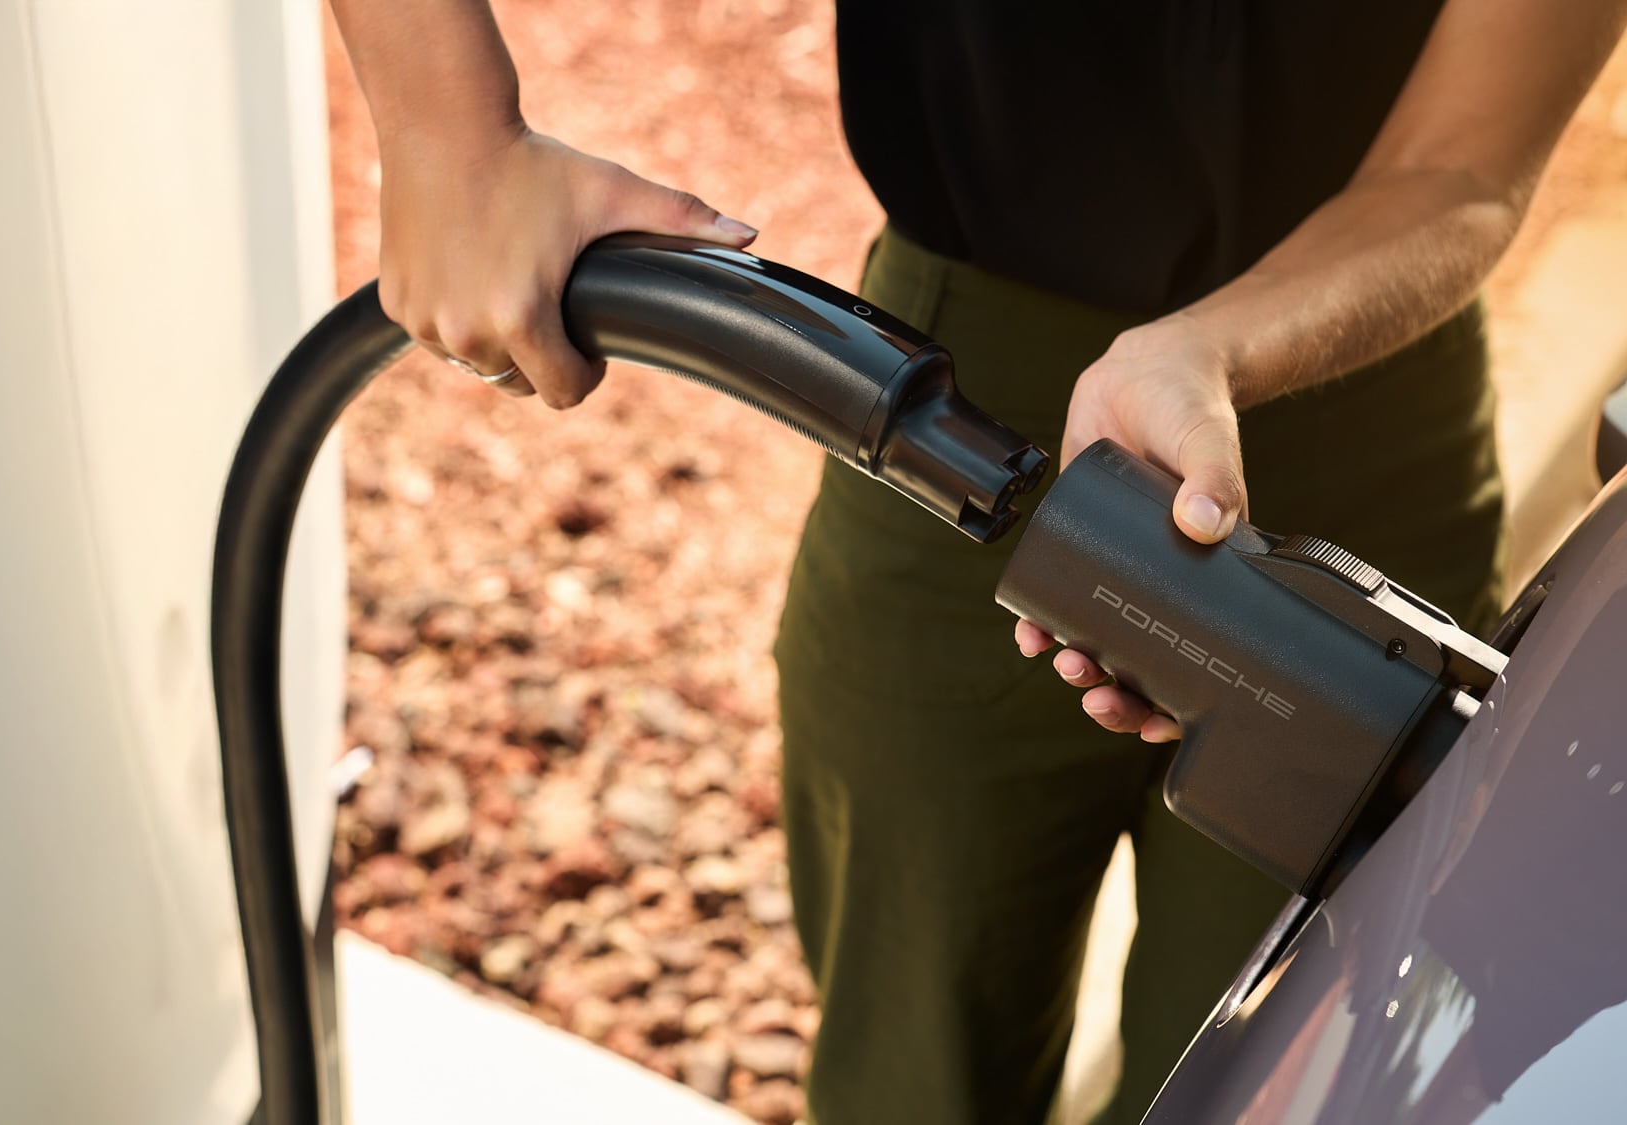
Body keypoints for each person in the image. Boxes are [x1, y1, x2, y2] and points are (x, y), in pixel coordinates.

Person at [327, 0, 1627, 1120]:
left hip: (1364, 396)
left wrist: (1211, 350)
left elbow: (1462, 165)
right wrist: (447, 125)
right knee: (915, 1064)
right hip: (954, 392)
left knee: (1305, 1069)